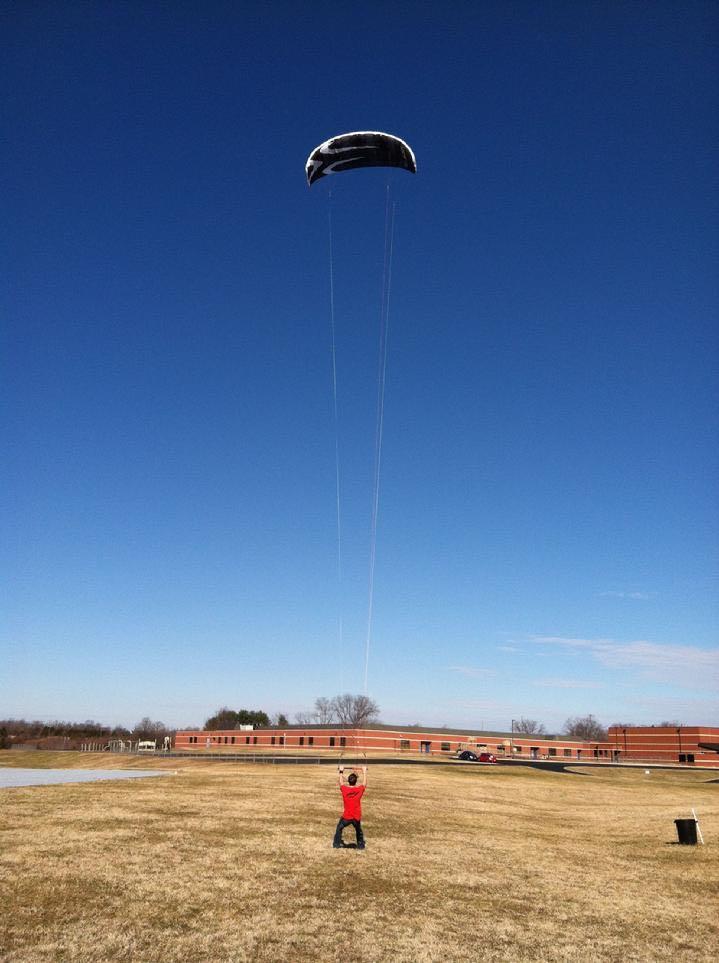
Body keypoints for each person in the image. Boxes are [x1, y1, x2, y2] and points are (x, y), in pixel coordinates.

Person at [333, 765, 367, 850]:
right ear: (355, 782)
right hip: (356, 816)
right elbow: (364, 784)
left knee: (339, 828)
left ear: (348, 781)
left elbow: (341, 783)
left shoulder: (345, 789)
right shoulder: (359, 790)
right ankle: (361, 846)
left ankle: (336, 844)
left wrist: (341, 771)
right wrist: (364, 772)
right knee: (359, 831)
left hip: (346, 816)